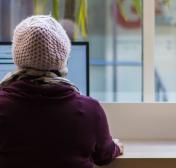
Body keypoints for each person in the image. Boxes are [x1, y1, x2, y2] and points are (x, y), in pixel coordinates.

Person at [0, 15, 123, 168]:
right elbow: (104, 156)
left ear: (17, 57)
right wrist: (116, 147)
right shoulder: (90, 109)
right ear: (63, 57)